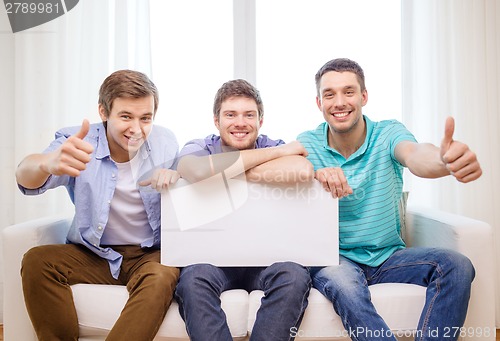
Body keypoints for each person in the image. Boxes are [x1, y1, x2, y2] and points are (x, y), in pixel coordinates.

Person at [297, 58, 482, 341]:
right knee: (344, 284)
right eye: (329, 94)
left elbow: (416, 155)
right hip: (336, 258)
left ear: (364, 96)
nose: (339, 102)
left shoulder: (387, 133)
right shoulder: (308, 143)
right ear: (319, 102)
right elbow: (285, 171)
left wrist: (444, 161)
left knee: (457, 265)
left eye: (348, 91)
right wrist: (315, 172)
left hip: (388, 257)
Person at [16, 70, 181, 341]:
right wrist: (46, 164)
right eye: (126, 116)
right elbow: (25, 176)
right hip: (95, 253)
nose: (137, 129)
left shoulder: (165, 142)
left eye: (146, 118)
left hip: (149, 253)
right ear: (103, 112)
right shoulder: (77, 142)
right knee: (37, 260)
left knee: (164, 274)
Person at [174, 79, 314, 341]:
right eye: (230, 115)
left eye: (249, 115)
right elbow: (194, 170)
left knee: (295, 274)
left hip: (266, 260)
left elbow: (302, 171)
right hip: (212, 261)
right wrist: (276, 158)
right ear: (216, 121)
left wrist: (224, 170)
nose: (240, 122)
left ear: (260, 121)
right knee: (192, 279)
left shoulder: (272, 143)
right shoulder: (199, 146)